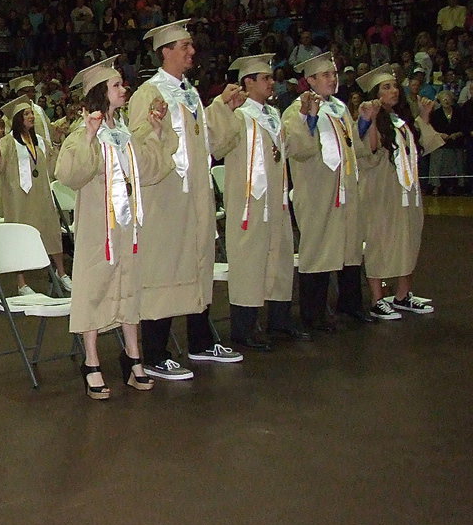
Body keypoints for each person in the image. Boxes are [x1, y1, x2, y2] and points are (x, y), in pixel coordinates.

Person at [131, 20, 245, 381]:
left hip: (194, 198)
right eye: (184, 46)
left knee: (197, 265)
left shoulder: (189, 93)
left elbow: (207, 142)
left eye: (191, 45)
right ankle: (153, 353)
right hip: (165, 199)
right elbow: (142, 149)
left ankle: (199, 340)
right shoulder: (148, 95)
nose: (191, 52)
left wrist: (221, 106)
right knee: (163, 272)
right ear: (165, 52)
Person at [55, 56, 172, 398]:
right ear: (100, 93)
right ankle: (91, 362)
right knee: (94, 289)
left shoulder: (123, 133)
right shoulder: (83, 133)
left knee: (130, 286)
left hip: (128, 228)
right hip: (98, 229)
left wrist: (158, 130)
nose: (124, 89)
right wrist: (90, 137)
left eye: (123, 84)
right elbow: (70, 175)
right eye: (117, 85)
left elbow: (150, 170)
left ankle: (133, 358)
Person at [209, 55, 306, 351]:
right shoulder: (238, 116)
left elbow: (288, 149)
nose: (271, 83)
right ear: (248, 82)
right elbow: (217, 145)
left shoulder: (273, 115)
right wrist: (224, 108)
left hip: (275, 201)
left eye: (271, 78)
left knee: (279, 258)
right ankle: (243, 328)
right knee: (250, 263)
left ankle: (278, 318)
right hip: (249, 202)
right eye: (264, 78)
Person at [283, 52, 372, 332]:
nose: (332, 79)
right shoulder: (296, 109)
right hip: (317, 190)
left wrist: (365, 124)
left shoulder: (339, 108)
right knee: (319, 249)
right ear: (309, 80)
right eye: (324, 75)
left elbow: (352, 146)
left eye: (333, 74)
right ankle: (313, 315)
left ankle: (350, 304)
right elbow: (297, 147)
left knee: (349, 247)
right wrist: (309, 119)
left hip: (344, 187)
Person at [355, 64, 445, 317]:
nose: (394, 90)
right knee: (379, 243)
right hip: (381, 192)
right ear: (375, 93)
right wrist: (370, 119)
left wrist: (424, 118)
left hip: (406, 192)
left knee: (409, 239)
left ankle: (403, 295)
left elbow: (420, 148)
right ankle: (377, 298)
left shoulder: (401, 120)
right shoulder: (367, 116)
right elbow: (368, 150)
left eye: (394, 86)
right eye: (386, 87)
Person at [0, 96, 71, 293]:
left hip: (41, 194)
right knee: (20, 236)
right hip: (18, 198)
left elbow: (52, 167)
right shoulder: (8, 142)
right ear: (17, 118)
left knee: (51, 231)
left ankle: (61, 273)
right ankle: (21, 283)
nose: (31, 116)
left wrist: (58, 140)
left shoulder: (40, 141)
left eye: (31, 113)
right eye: (26, 114)